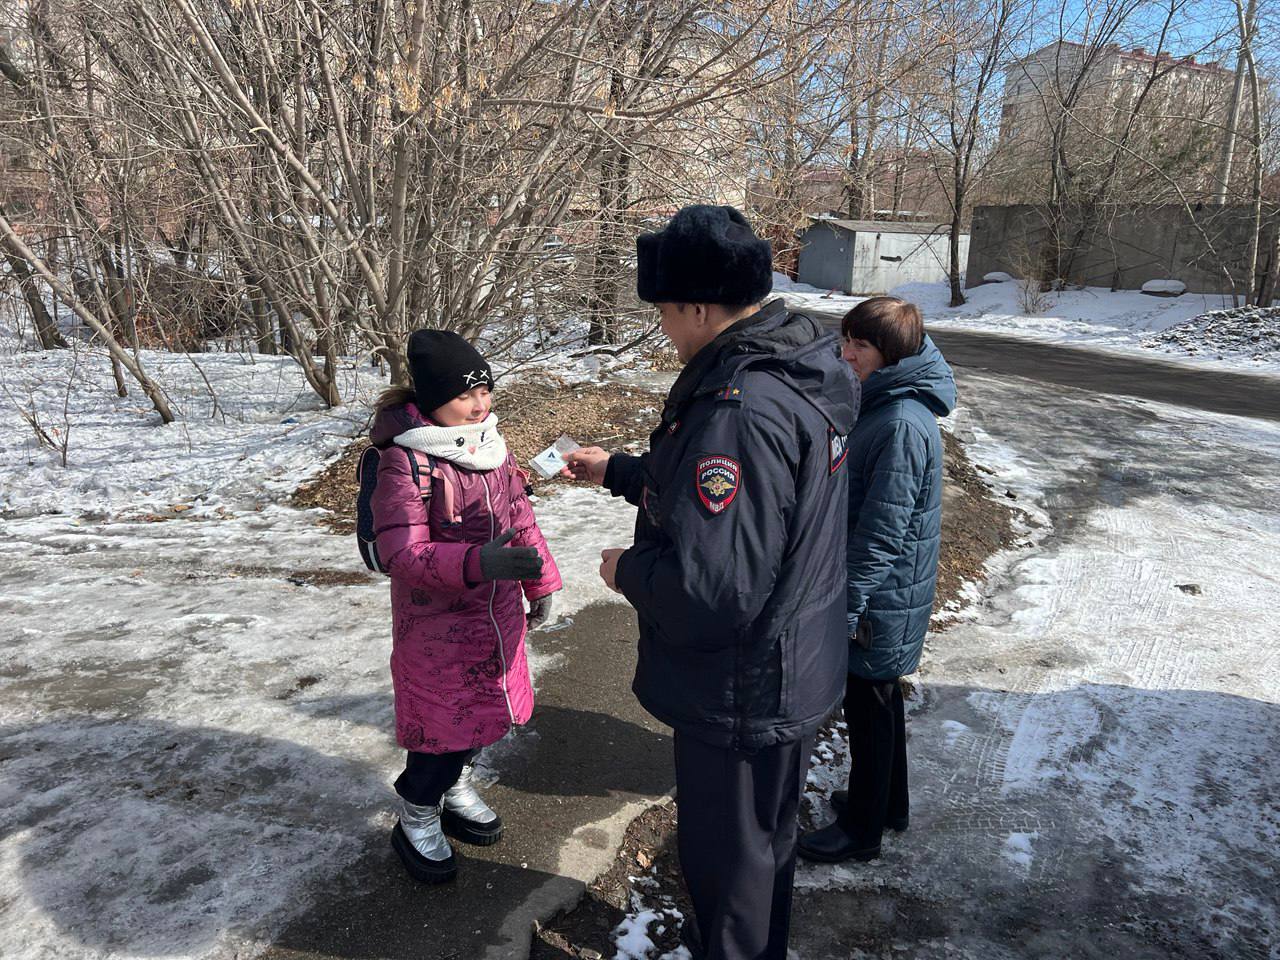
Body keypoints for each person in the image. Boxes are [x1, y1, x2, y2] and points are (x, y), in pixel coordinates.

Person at [563, 205, 859, 960]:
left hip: (742, 686)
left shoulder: (737, 407)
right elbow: (750, 513)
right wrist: (621, 472)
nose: (664, 328)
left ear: (698, 306)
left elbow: (715, 588)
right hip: (786, 665)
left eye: (665, 311)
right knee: (760, 857)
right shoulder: (787, 366)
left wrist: (626, 569)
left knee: (731, 872)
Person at [368, 329, 562, 884]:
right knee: (440, 729)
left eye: (486, 392)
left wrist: (541, 583)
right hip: (438, 631)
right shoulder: (406, 462)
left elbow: (521, 519)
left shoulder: (491, 446)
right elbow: (402, 553)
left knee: (482, 719)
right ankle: (417, 810)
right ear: (432, 401)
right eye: (465, 397)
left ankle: (454, 785)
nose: (481, 405)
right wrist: (479, 563)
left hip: (497, 619)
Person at [797, 296, 956, 865]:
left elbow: (883, 532)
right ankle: (888, 804)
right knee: (880, 700)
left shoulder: (900, 425)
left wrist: (849, 604)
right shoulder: (886, 404)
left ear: (891, 355)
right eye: (847, 340)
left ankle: (862, 831)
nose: (846, 353)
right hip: (884, 591)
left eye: (859, 345)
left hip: (879, 595)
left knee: (869, 707)